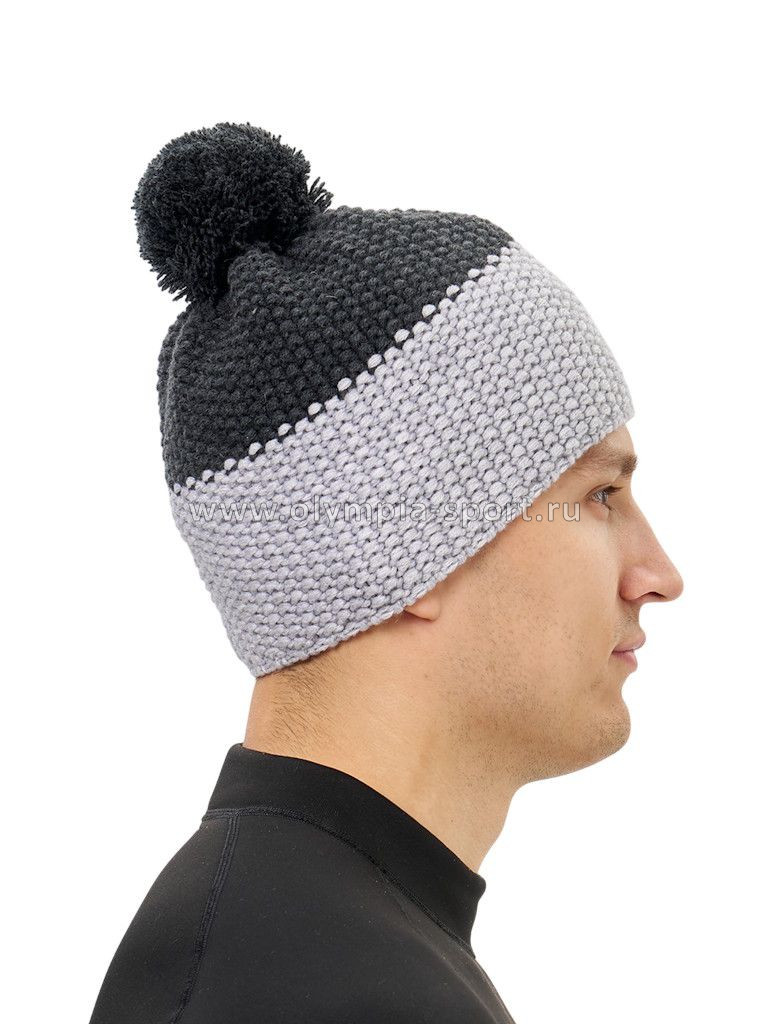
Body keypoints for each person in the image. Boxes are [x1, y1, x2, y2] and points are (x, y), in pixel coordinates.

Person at [88, 122, 683, 1024]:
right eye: (599, 495)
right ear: (396, 544)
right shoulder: (329, 990)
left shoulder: (306, 947)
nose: (659, 575)